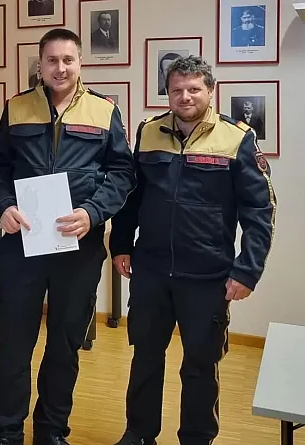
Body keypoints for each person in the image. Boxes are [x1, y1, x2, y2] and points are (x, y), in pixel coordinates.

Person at [109, 55, 276, 445]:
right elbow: (132, 196)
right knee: (145, 358)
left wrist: (247, 269)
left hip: (207, 275)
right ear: (167, 93)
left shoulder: (237, 138)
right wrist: (120, 244)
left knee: (201, 364)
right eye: (176, 90)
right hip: (151, 271)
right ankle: (139, 433)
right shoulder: (149, 132)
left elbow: (260, 210)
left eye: (193, 89)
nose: (185, 96)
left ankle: (198, 438)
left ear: (210, 91)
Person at [0, 28, 136, 445]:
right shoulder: (17, 107)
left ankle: (51, 430)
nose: (60, 68)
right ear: (41, 64)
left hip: (79, 247)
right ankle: (7, 430)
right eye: (52, 60)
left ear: (80, 62)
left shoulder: (104, 110)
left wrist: (93, 213)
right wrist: (3, 206)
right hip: (22, 243)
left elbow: (123, 173)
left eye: (68, 60)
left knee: (64, 345)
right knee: (12, 343)